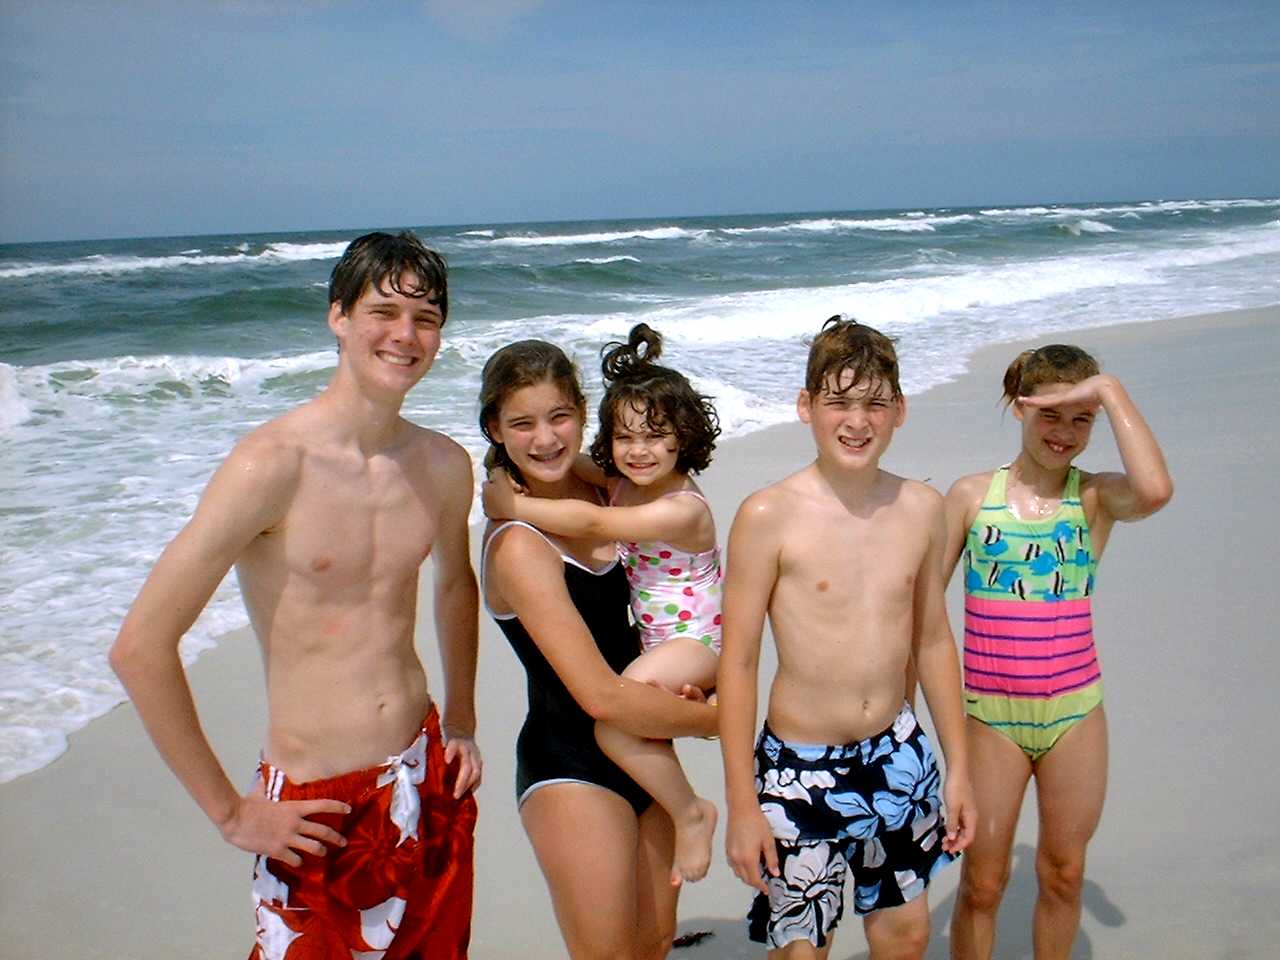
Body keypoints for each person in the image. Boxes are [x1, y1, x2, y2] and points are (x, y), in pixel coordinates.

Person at [109, 231, 482, 959]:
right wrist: (230, 813)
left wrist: (462, 718)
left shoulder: (441, 463)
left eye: (426, 316)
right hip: (318, 807)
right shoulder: (269, 466)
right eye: (384, 310)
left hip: (422, 773)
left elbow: (455, 583)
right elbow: (139, 647)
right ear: (337, 316)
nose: (405, 334)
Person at [719, 316, 976, 959]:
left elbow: (935, 641)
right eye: (838, 401)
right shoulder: (767, 515)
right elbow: (740, 663)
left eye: (874, 403)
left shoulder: (921, 508)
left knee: (906, 936)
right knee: (802, 948)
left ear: (899, 412)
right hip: (799, 772)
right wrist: (742, 804)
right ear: (806, 407)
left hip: (899, 754)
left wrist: (960, 768)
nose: (856, 420)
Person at [477, 339, 718, 959]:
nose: (545, 438)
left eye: (559, 417)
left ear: (586, 417)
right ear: (495, 430)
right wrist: (715, 718)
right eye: (522, 424)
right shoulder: (520, 545)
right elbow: (602, 696)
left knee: (655, 943)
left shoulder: (603, 489)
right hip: (573, 764)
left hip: (645, 749)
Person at [944, 344, 1172, 960]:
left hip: (1075, 713)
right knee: (984, 884)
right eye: (1051, 415)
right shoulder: (970, 498)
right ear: (1021, 409)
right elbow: (922, 612)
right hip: (992, 717)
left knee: (1064, 872)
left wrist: (1113, 392)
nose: (1064, 433)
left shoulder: (1094, 498)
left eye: (1081, 419)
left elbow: (1154, 490)